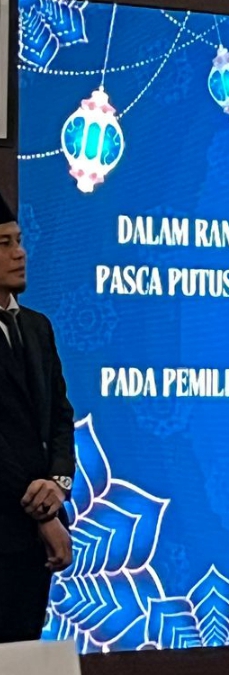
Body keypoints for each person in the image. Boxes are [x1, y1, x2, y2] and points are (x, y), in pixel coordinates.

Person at [0, 193, 75, 643]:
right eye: (5, 244)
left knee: (24, 652)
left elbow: (59, 417)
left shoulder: (37, 327)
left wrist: (59, 485)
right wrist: (43, 513)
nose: (20, 253)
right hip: (9, 525)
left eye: (19, 240)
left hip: (33, 547)